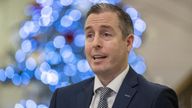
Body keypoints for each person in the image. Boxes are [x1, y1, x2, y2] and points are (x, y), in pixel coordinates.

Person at [49, 3, 178, 108]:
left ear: (128, 42)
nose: (95, 43)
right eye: (90, 35)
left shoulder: (156, 98)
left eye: (106, 34)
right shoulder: (62, 98)